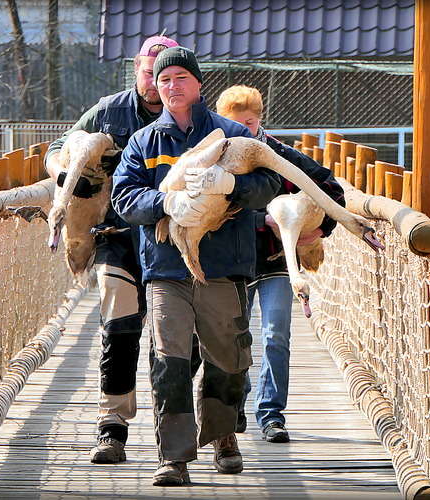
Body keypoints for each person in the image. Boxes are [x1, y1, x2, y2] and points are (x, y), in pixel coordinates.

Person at [111, 48, 281, 486]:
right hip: (167, 268)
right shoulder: (144, 142)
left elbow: (269, 185)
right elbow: (124, 198)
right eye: (164, 79)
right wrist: (165, 202)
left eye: (181, 77)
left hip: (223, 266)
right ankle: (174, 457)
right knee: (169, 359)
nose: (171, 86)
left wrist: (233, 185)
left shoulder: (231, 135)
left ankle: (224, 437)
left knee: (227, 356)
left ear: (199, 83)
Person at [43, 35, 181, 465]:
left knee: (173, 341)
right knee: (120, 328)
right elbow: (53, 151)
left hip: (171, 240)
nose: (156, 82)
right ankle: (112, 428)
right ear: (137, 68)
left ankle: (172, 433)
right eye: (147, 72)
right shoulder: (108, 110)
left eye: (164, 75)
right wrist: (68, 176)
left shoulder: (191, 115)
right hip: (116, 237)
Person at [215, 85, 346, 443]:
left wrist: (321, 227)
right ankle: (235, 405)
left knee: (276, 334)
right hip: (233, 262)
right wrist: (261, 222)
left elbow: (331, 189)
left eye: (250, 123)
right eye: (234, 125)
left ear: (259, 120)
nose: (244, 132)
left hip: (276, 261)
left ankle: (271, 414)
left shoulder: (282, 156)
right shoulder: (217, 160)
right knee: (232, 338)